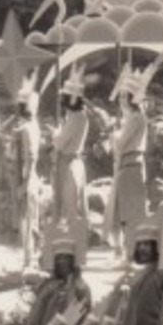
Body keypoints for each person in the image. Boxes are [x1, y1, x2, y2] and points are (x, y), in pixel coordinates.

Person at [23, 235, 91, 325]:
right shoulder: (47, 286)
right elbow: (35, 318)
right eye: (58, 258)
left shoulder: (80, 288)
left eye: (66, 258)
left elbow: (76, 320)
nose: (61, 261)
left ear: (73, 261)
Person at [3, 81, 43, 270]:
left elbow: (31, 157)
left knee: (27, 220)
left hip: (26, 179)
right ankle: (28, 257)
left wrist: (24, 184)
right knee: (24, 219)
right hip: (20, 177)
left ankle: (29, 258)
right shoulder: (25, 126)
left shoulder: (28, 128)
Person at [109, 72, 148, 251]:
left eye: (125, 96)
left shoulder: (136, 118)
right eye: (121, 96)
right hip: (126, 165)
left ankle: (132, 250)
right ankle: (127, 249)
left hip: (132, 164)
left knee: (131, 211)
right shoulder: (130, 119)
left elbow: (120, 142)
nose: (121, 100)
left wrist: (112, 133)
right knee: (122, 210)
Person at [50, 69, 91, 230]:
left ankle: (74, 235)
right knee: (72, 202)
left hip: (68, 163)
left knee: (69, 202)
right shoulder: (79, 116)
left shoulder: (76, 118)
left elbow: (60, 142)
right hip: (73, 160)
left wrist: (55, 132)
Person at [125, 221, 163, 325]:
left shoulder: (160, 273)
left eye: (147, 244)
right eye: (140, 244)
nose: (142, 248)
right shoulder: (138, 273)